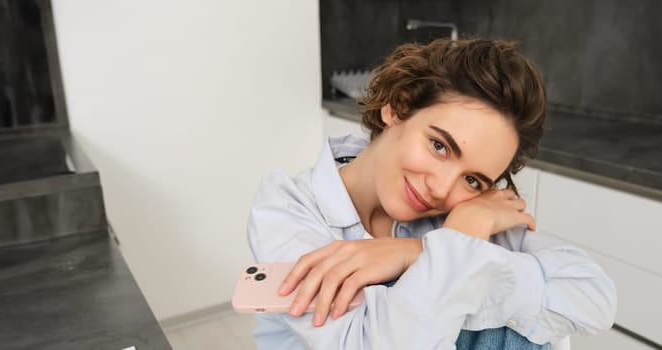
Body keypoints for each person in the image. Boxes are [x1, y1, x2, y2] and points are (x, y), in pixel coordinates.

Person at [246, 38, 617, 349]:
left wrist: (416, 251)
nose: (441, 189)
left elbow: (594, 297)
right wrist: (458, 244)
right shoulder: (287, 209)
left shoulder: (470, 210)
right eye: (440, 146)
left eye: (473, 179)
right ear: (398, 107)